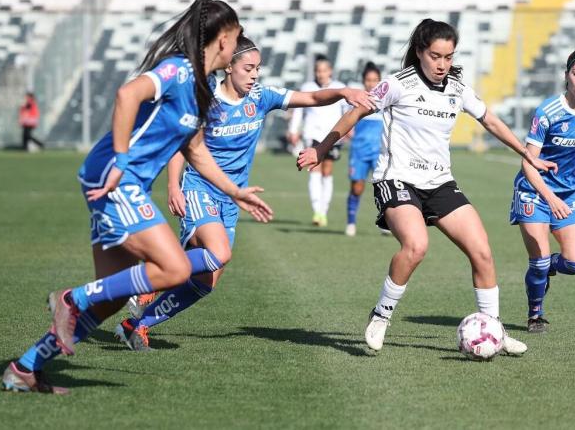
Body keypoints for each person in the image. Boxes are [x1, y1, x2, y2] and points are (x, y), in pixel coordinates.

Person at [2, 0, 273, 394]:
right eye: (235, 39)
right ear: (222, 41)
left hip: (124, 183)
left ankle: (26, 367)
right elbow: (127, 95)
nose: (237, 47)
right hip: (115, 179)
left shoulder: (200, 92)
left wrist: (235, 191)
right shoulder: (178, 70)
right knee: (177, 269)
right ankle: (70, 298)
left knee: (111, 298)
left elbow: (195, 151)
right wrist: (122, 159)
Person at [296, 19, 557, 354]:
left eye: (448, 57)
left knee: (482, 251)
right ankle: (381, 315)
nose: (442, 64)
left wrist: (526, 153)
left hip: (440, 183)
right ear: (420, 51)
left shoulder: (457, 89)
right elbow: (356, 113)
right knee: (416, 246)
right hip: (397, 180)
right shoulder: (397, 84)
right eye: (435, 56)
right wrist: (321, 148)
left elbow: (489, 119)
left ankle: (493, 330)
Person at [115, 36, 374, 350]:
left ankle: (137, 325)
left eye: (258, 69)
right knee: (219, 253)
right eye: (248, 68)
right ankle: (152, 274)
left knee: (206, 282)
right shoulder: (205, 98)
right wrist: (173, 185)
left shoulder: (262, 97)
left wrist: (344, 91)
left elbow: (312, 98)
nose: (254, 75)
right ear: (229, 68)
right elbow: (182, 145)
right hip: (199, 188)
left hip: (232, 197)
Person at [508, 45, 575, 333]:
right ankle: (535, 315)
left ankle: (548, 270)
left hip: (569, 193)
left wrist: (564, 191)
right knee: (539, 261)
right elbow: (528, 163)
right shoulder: (548, 111)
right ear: (566, 75)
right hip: (535, 192)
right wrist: (549, 197)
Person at [287, 55, 350, 227]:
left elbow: (348, 112)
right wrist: (294, 130)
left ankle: (323, 211)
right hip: (312, 134)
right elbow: (299, 109)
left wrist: (350, 129)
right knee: (314, 170)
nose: (320, 74)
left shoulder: (339, 88)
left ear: (330, 71)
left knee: (327, 172)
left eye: (323, 70)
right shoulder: (308, 87)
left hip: (334, 135)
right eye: (317, 70)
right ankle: (317, 211)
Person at [345, 62, 383, 236]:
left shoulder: (386, 102)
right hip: (359, 151)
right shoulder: (356, 101)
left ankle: (386, 223)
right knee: (357, 187)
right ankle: (351, 222)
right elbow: (347, 123)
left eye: (375, 80)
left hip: (380, 152)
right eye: (368, 80)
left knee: (384, 188)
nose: (371, 83)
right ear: (363, 81)